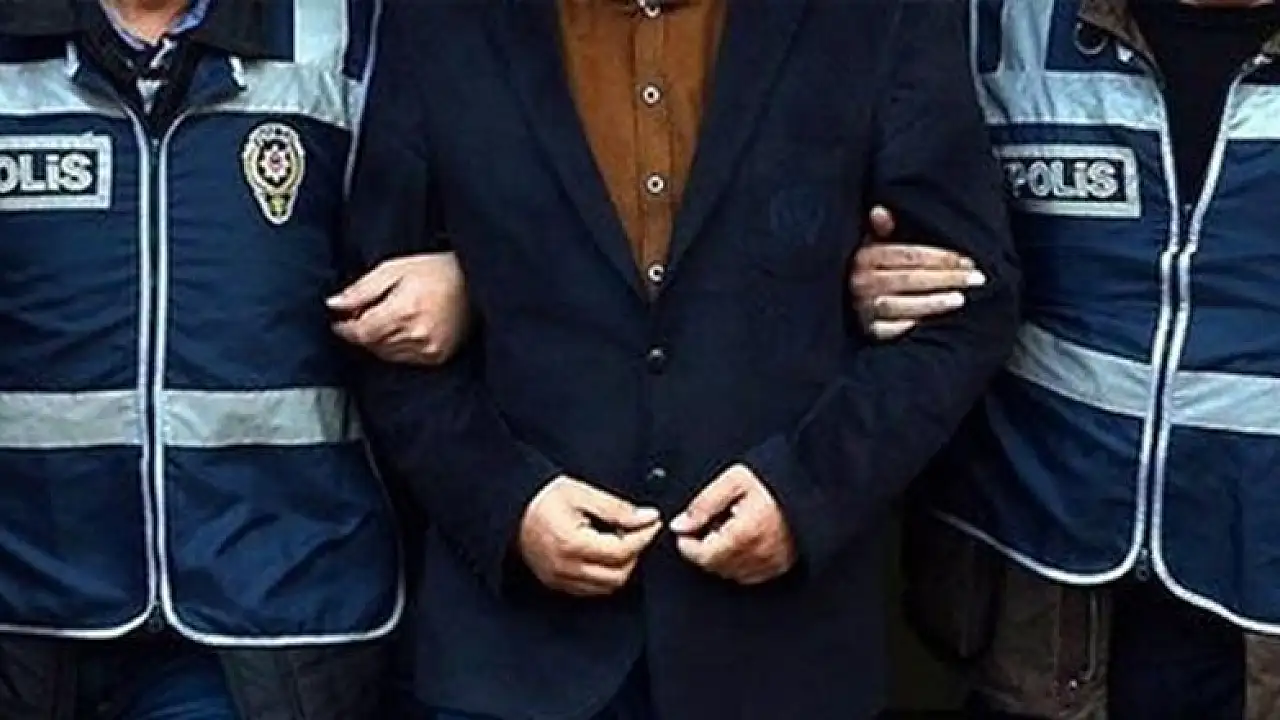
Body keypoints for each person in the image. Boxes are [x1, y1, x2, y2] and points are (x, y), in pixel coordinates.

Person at [344, 1, 1021, 718]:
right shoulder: (441, 20)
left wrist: (811, 491)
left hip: (780, 656)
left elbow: (965, 307)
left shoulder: (875, 17)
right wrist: (505, 503)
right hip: (516, 661)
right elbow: (377, 324)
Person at [0, 0, 466, 717]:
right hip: (25, 604)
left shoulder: (347, 30)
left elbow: (503, 207)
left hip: (269, 607)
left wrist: (467, 280)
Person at [852, 0, 1280, 717]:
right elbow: (835, 200)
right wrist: (860, 278)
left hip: (1258, 608)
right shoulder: (991, 21)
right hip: (1035, 603)